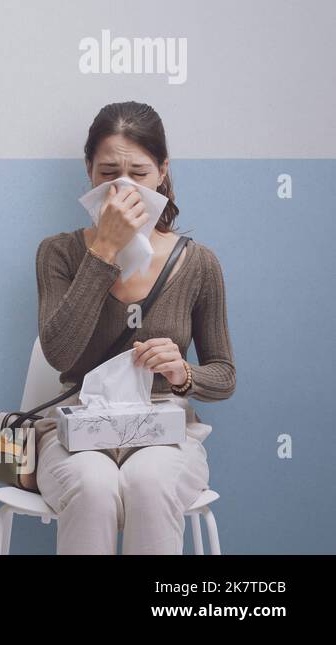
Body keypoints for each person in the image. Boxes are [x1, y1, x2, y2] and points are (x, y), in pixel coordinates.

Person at [34, 100, 236, 554]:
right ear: (88, 171)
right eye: (108, 173)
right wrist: (103, 250)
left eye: (139, 174)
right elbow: (60, 354)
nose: (122, 186)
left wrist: (184, 373)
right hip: (75, 430)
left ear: (163, 172)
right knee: (93, 485)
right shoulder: (59, 254)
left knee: (147, 482)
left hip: (165, 432)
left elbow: (224, 374)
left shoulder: (198, 263)